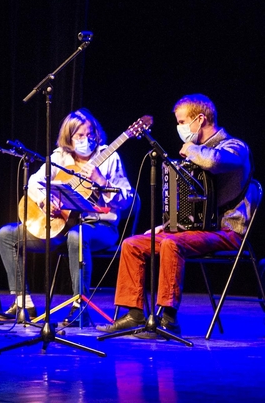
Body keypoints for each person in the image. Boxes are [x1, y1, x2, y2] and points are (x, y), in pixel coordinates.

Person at [97, 94, 253, 337]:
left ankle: (168, 318)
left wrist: (191, 148)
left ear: (200, 119)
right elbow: (189, 205)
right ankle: (133, 314)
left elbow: (215, 162)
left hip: (227, 232)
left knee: (171, 243)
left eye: (182, 122)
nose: (179, 128)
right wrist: (167, 225)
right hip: (193, 231)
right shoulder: (196, 152)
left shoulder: (235, 146)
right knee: (132, 244)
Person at [0, 109, 133, 324]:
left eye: (90, 134)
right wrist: (44, 201)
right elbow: (33, 183)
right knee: (6, 235)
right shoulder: (59, 157)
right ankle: (23, 303)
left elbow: (126, 199)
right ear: (69, 138)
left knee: (77, 236)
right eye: (80, 135)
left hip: (99, 228)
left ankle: (80, 308)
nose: (86, 139)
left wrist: (102, 183)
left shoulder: (109, 158)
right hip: (60, 226)